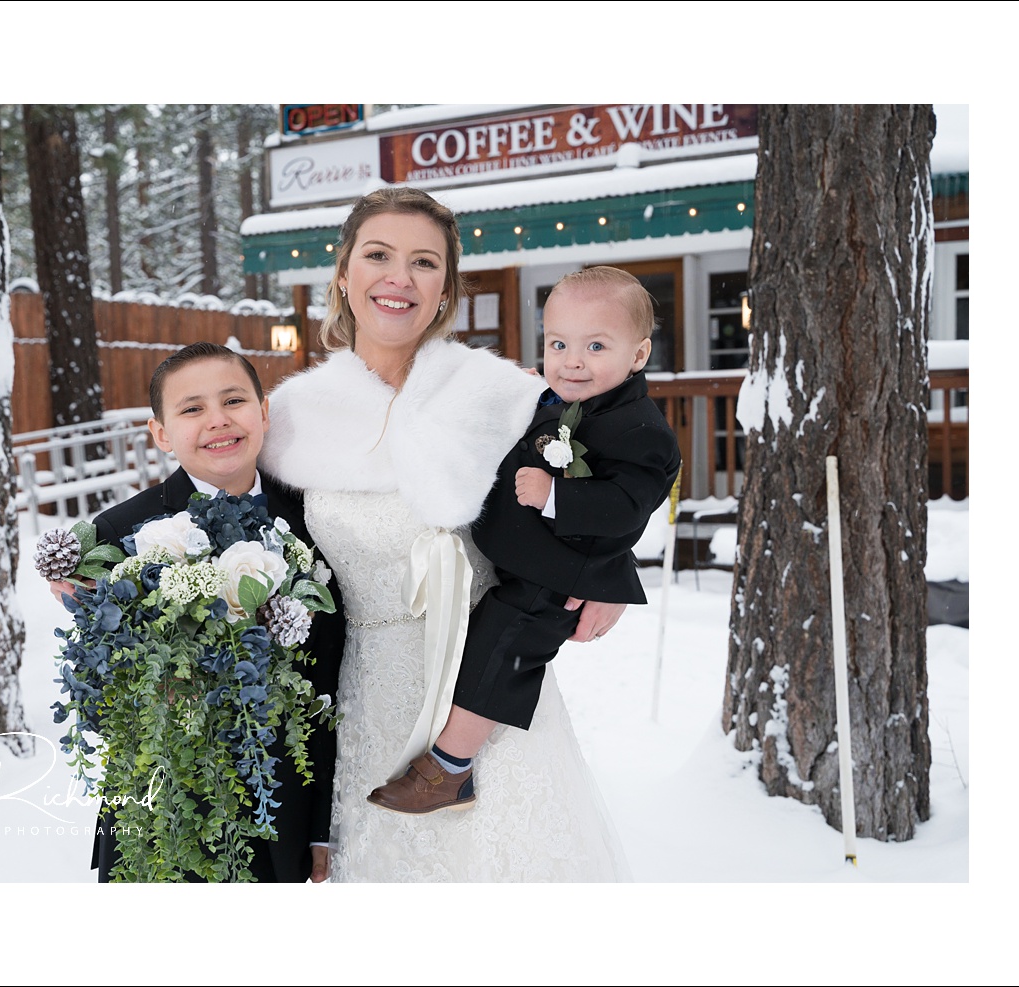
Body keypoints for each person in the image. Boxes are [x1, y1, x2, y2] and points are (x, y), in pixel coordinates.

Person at [259, 186, 630, 881]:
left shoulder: (503, 397)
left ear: (445, 288)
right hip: (369, 705)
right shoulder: (292, 417)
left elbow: (618, 471)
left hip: (487, 702)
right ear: (343, 273)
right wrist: (114, 564)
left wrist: (610, 568)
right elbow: (220, 513)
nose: (399, 277)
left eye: (424, 262)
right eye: (378, 255)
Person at [365, 266, 680, 814]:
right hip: (526, 560)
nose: (572, 360)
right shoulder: (564, 399)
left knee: (504, 648)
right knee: (492, 640)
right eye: (559, 343)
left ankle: (450, 768)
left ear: (638, 355)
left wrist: (555, 495)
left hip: (556, 576)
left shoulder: (640, 430)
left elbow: (628, 506)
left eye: (596, 346)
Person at [70, 341, 346, 882]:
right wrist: (160, 691)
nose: (218, 421)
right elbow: (93, 694)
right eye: (192, 408)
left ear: (263, 412)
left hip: (280, 805)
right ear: (162, 433)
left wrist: (321, 822)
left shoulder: (318, 524)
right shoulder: (117, 536)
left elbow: (332, 676)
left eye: (234, 401)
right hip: (163, 812)